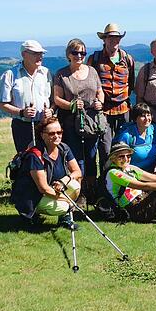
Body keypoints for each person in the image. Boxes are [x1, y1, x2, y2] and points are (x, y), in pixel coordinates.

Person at [53, 38, 104, 204]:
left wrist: (99, 102)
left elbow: (100, 91)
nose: (79, 55)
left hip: (91, 120)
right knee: (76, 157)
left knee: (91, 155)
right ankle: (79, 192)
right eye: (75, 52)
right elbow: (57, 99)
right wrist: (72, 105)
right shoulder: (61, 74)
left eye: (83, 52)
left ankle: (92, 190)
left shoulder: (92, 71)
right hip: (70, 121)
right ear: (69, 54)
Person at [10, 116, 81, 230]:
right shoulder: (35, 155)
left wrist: (64, 180)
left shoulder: (64, 148)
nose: (56, 136)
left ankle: (64, 218)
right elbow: (43, 188)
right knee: (63, 206)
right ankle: (31, 213)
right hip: (33, 196)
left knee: (75, 185)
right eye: (51, 133)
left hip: (53, 188)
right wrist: (67, 200)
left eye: (59, 132)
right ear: (42, 135)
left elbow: (77, 172)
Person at [87, 23, 135, 178]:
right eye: (111, 38)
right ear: (104, 39)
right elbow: (89, 82)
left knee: (124, 148)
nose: (114, 41)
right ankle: (106, 182)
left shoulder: (127, 59)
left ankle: (125, 181)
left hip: (124, 110)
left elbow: (131, 82)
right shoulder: (94, 59)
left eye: (117, 38)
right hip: (103, 111)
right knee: (106, 148)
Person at [0, 40, 54, 152]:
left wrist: (51, 111)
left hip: (45, 124)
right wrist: (21, 112)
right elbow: (3, 104)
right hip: (22, 126)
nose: (40, 56)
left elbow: (54, 100)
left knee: (47, 158)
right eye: (35, 53)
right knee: (25, 159)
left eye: (41, 53)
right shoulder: (10, 75)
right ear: (24, 54)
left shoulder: (46, 73)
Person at [113, 103, 156, 172]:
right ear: (135, 119)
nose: (147, 118)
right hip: (133, 172)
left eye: (148, 115)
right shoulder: (127, 135)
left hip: (153, 170)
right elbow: (119, 159)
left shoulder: (154, 130)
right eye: (142, 116)